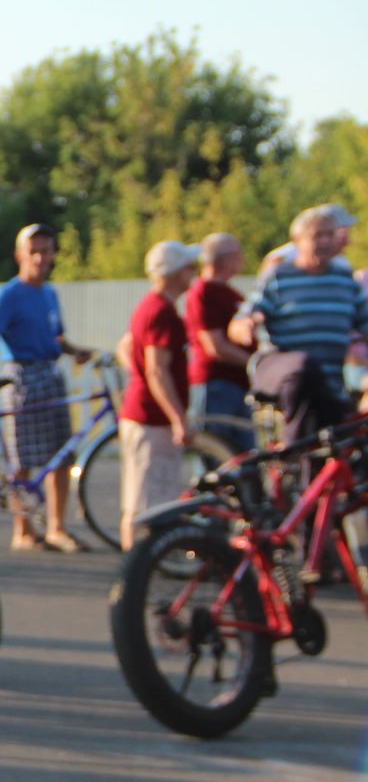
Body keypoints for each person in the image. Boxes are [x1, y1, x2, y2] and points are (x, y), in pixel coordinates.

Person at [0, 223, 94, 552]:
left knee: (60, 453)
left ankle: (57, 526)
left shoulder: (49, 294)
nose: (41, 257)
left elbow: (55, 337)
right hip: (22, 376)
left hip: (50, 373)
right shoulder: (10, 293)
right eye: (34, 251)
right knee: (22, 457)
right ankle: (24, 528)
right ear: (20, 255)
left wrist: (75, 352)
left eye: (46, 250)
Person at [242, 205, 368, 441]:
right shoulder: (279, 276)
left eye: (331, 235)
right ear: (297, 241)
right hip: (279, 369)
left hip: (328, 383)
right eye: (317, 236)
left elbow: (365, 324)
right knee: (304, 366)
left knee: (337, 431)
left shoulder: (344, 280)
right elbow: (245, 316)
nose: (326, 242)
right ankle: (293, 450)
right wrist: (247, 324)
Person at [118, 242, 197, 546]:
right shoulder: (162, 312)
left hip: (144, 412)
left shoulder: (150, 306)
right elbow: (157, 370)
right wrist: (178, 418)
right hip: (151, 419)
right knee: (144, 504)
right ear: (175, 273)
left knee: (146, 496)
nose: (193, 273)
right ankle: (135, 571)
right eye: (189, 268)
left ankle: (139, 566)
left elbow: (126, 348)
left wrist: (137, 373)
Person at [184, 233, 254, 453]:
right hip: (217, 385)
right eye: (237, 254)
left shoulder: (227, 292)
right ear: (225, 259)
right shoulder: (203, 292)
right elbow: (214, 345)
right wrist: (255, 363)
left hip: (235, 384)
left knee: (241, 454)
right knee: (218, 452)